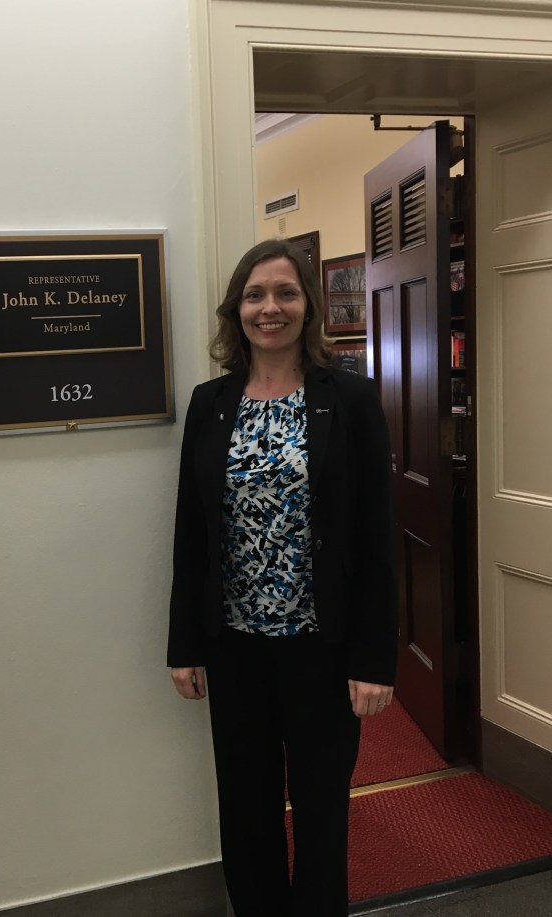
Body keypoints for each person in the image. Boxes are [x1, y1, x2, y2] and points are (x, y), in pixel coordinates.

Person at [167, 239, 398, 917]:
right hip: (233, 643)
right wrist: (183, 642)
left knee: (322, 810)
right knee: (245, 808)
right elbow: (190, 533)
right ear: (235, 310)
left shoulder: (349, 399)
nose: (270, 308)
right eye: (254, 295)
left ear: (308, 306)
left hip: (320, 647)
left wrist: (373, 658)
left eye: (285, 293)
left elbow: (374, 539)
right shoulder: (210, 403)